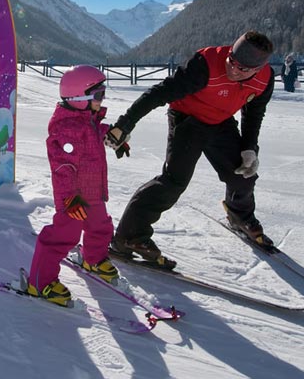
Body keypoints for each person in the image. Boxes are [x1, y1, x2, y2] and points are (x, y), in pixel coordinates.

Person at [104, 30, 276, 265]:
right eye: (232, 62)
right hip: (188, 120)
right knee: (173, 182)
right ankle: (128, 237)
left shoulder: (264, 79)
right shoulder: (205, 64)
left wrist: (249, 148)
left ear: (257, 69)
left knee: (243, 175)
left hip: (220, 122)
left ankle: (239, 215)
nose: (234, 70)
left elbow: (254, 114)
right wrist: (124, 124)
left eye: (243, 69)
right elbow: (160, 93)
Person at [26, 65, 123, 305]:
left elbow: (91, 133)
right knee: (64, 235)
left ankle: (94, 258)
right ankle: (40, 282)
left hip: (92, 191)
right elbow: (63, 169)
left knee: (100, 225)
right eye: (99, 95)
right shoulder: (65, 130)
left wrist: (110, 134)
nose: (103, 99)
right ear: (80, 98)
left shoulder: (85, 120)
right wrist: (70, 198)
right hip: (73, 198)